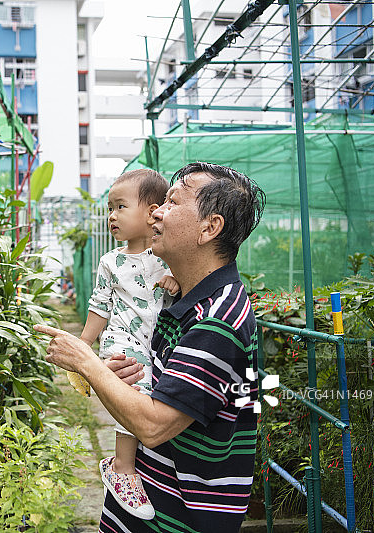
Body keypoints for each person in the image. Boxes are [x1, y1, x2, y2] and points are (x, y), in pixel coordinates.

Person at [36, 162, 265, 533]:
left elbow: (154, 424)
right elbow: (156, 392)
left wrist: (86, 362)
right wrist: (116, 378)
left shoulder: (219, 320)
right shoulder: (178, 297)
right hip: (144, 507)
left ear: (210, 228)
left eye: (173, 202)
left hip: (179, 520)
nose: (158, 211)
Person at [73, 168, 180, 519]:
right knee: (135, 391)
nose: (111, 216)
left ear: (153, 212)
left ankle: (136, 465)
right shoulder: (111, 262)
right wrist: (84, 346)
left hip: (154, 342)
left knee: (153, 400)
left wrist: (174, 281)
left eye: (120, 206)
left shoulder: (168, 257)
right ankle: (122, 468)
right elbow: (99, 307)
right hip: (122, 340)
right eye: (110, 208)